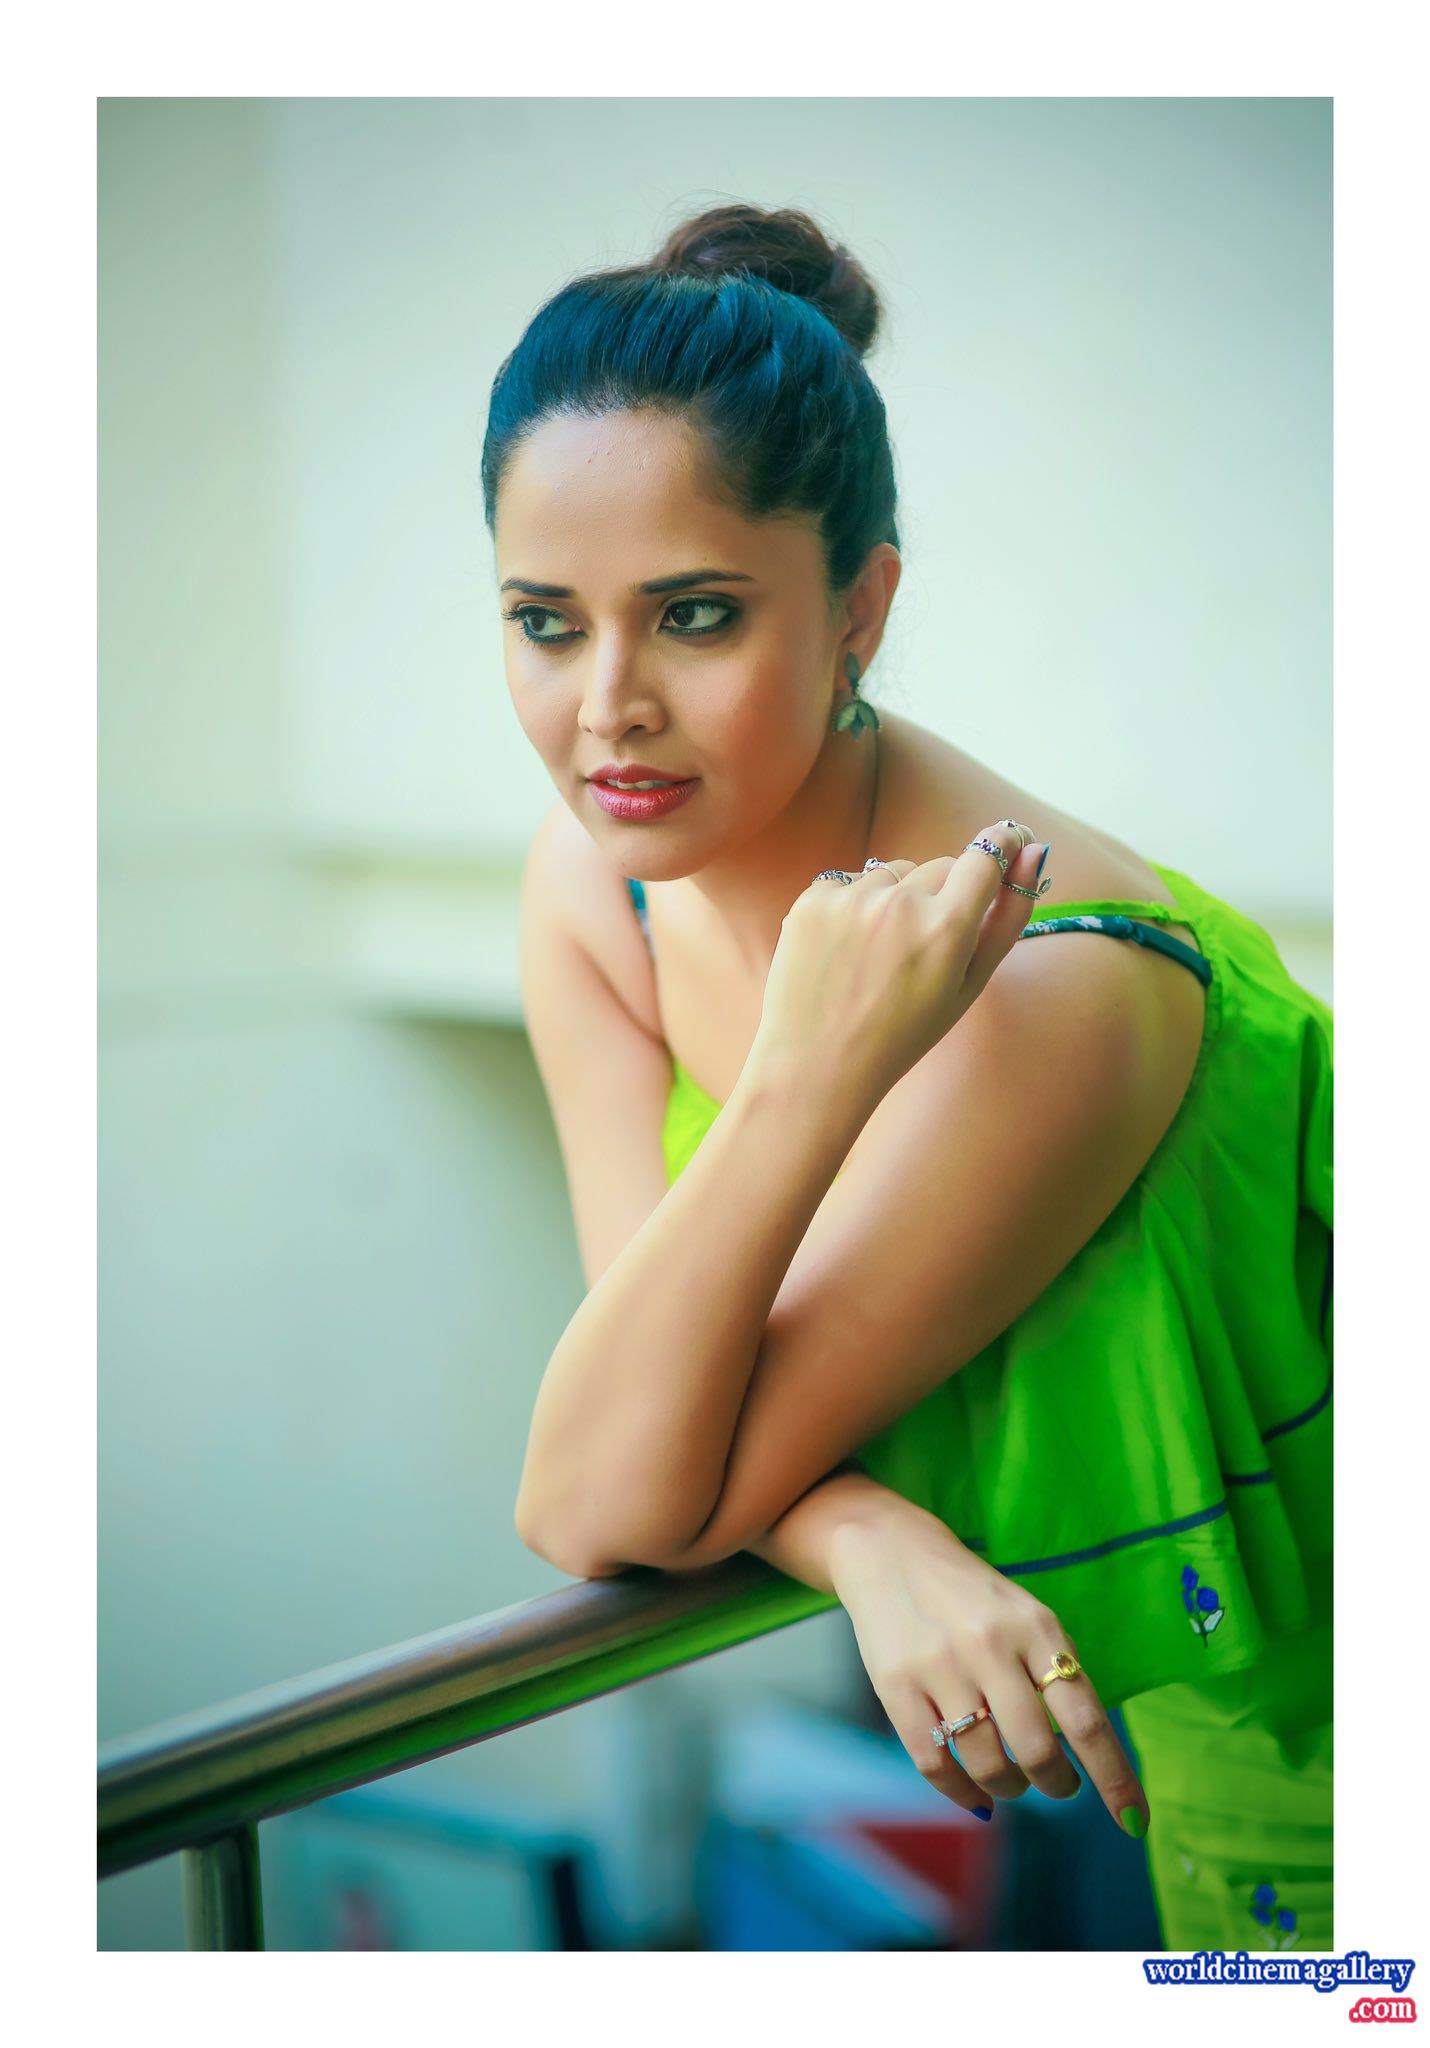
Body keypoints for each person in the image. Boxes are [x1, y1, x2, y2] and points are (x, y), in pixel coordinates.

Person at [486, 202, 1332, 1951]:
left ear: (859, 607)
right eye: (546, 624)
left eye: (694, 616)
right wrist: (858, 1533)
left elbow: (597, 1496)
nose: (607, 708)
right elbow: (633, 1445)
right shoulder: (595, 893)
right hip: (1168, 1745)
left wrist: (809, 1073)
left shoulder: (1057, 980)